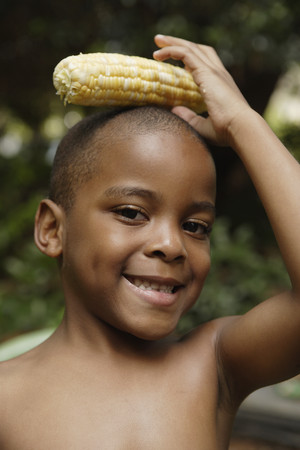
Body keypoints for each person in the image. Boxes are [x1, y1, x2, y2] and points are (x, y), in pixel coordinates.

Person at [0, 34, 299, 450]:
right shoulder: (6, 399)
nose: (170, 244)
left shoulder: (213, 367)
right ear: (53, 229)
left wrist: (243, 123)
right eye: (131, 213)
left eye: (196, 226)